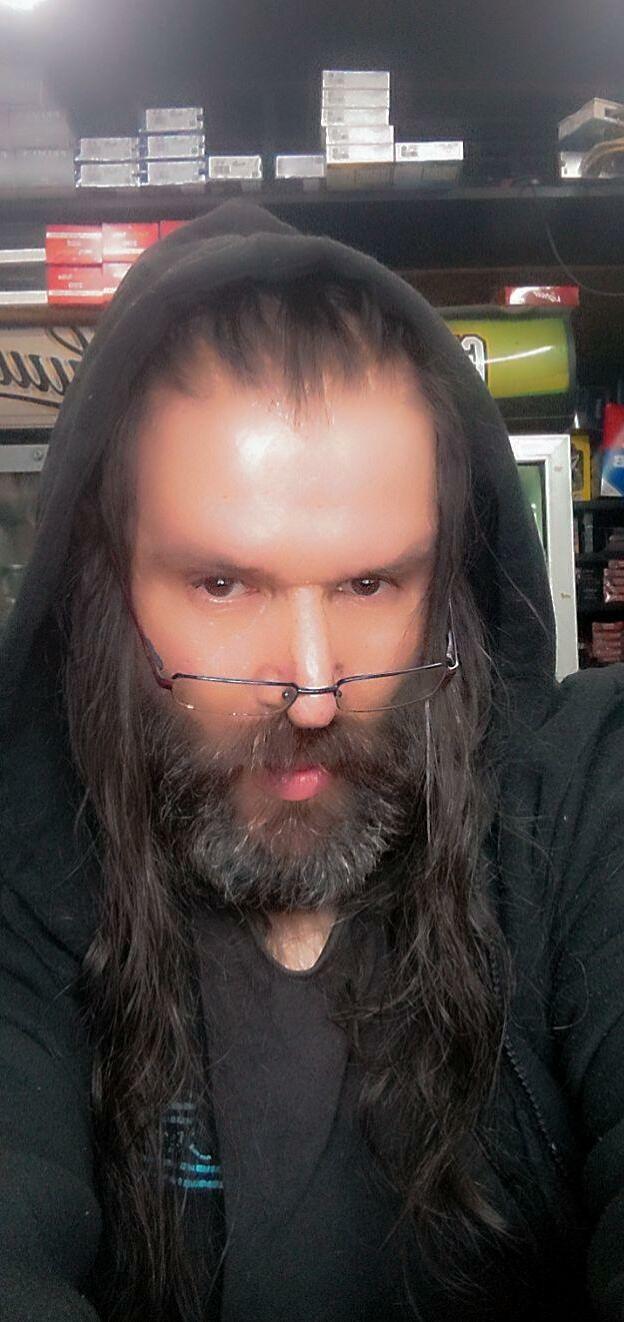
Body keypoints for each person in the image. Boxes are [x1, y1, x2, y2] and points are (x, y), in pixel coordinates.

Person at [1, 200, 623, 1322]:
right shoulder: (25, 875)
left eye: (371, 584)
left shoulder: (579, 805)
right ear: (108, 586)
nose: (314, 688)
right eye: (221, 583)